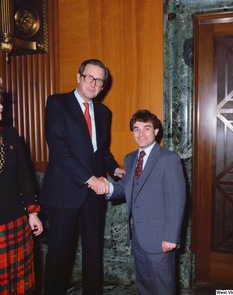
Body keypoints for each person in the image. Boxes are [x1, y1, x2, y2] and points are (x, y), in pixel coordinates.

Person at [39, 59, 125, 295]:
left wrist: (116, 169)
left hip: (94, 196)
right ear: (78, 77)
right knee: (59, 255)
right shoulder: (57, 103)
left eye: (99, 80)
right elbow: (60, 150)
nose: (94, 83)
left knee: (93, 253)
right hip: (65, 192)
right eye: (89, 77)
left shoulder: (104, 112)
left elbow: (101, 152)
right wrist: (91, 179)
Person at [93, 110, 186, 295]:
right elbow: (127, 187)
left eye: (146, 128)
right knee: (145, 287)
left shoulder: (169, 159)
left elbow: (176, 201)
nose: (141, 134)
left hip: (161, 239)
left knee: (164, 288)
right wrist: (108, 187)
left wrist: (171, 237)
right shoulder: (130, 158)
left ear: (156, 131)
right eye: (136, 129)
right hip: (138, 238)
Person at [0, 91, 43, 294]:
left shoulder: (10, 134)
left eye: (0, 103)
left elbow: (24, 176)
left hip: (15, 220)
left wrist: (32, 212)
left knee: (18, 285)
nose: (1, 107)